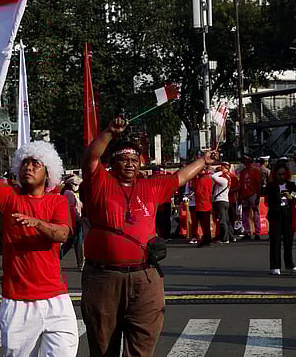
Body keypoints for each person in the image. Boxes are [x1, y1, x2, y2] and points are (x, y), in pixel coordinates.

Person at [81, 115, 213, 357]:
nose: (130, 164)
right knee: (102, 348)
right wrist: (109, 133)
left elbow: (181, 177)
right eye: (124, 160)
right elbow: (90, 157)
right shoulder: (100, 181)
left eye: (135, 160)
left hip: (146, 277)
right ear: (112, 163)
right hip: (104, 278)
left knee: (143, 346)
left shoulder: (151, 186)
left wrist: (203, 161)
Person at [0, 125, 79, 357]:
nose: (29, 167)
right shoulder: (9, 196)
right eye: (25, 163)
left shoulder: (58, 202)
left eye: (36, 164)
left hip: (56, 298)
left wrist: (38, 223)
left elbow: (63, 234)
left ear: (48, 171)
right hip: (18, 300)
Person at [265, 165, 296, 274]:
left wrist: (290, 196)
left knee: (288, 240)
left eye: (283, 174)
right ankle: (275, 266)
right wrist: (277, 196)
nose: (281, 176)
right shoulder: (271, 185)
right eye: (279, 174)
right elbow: (268, 200)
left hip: (288, 213)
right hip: (275, 213)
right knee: (275, 240)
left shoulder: (291, 184)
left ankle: (290, 264)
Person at [60, 175, 86, 270]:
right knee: (78, 240)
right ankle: (80, 263)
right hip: (74, 219)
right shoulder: (68, 193)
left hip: (75, 219)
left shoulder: (70, 192)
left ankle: (57, 257)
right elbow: (73, 208)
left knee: (70, 242)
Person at [239, 156, 263, 240]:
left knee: (255, 214)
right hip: (245, 195)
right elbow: (241, 186)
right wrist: (240, 197)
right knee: (245, 214)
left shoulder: (256, 170)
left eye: (246, 160)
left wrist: (258, 196)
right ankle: (247, 232)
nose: (245, 162)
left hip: (253, 194)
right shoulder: (242, 172)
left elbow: (258, 184)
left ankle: (257, 232)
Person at [212, 161, 236, 244]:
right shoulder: (228, 178)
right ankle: (231, 237)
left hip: (220, 201)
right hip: (226, 201)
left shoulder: (223, 180)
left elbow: (213, 176)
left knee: (222, 221)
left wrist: (221, 171)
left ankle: (225, 239)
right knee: (227, 220)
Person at [192, 163, 214, 247]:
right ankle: (207, 239)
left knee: (204, 224)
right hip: (206, 203)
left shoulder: (202, 180)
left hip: (202, 204)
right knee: (206, 224)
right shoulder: (207, 178)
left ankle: (206, 240)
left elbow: (198, 192)